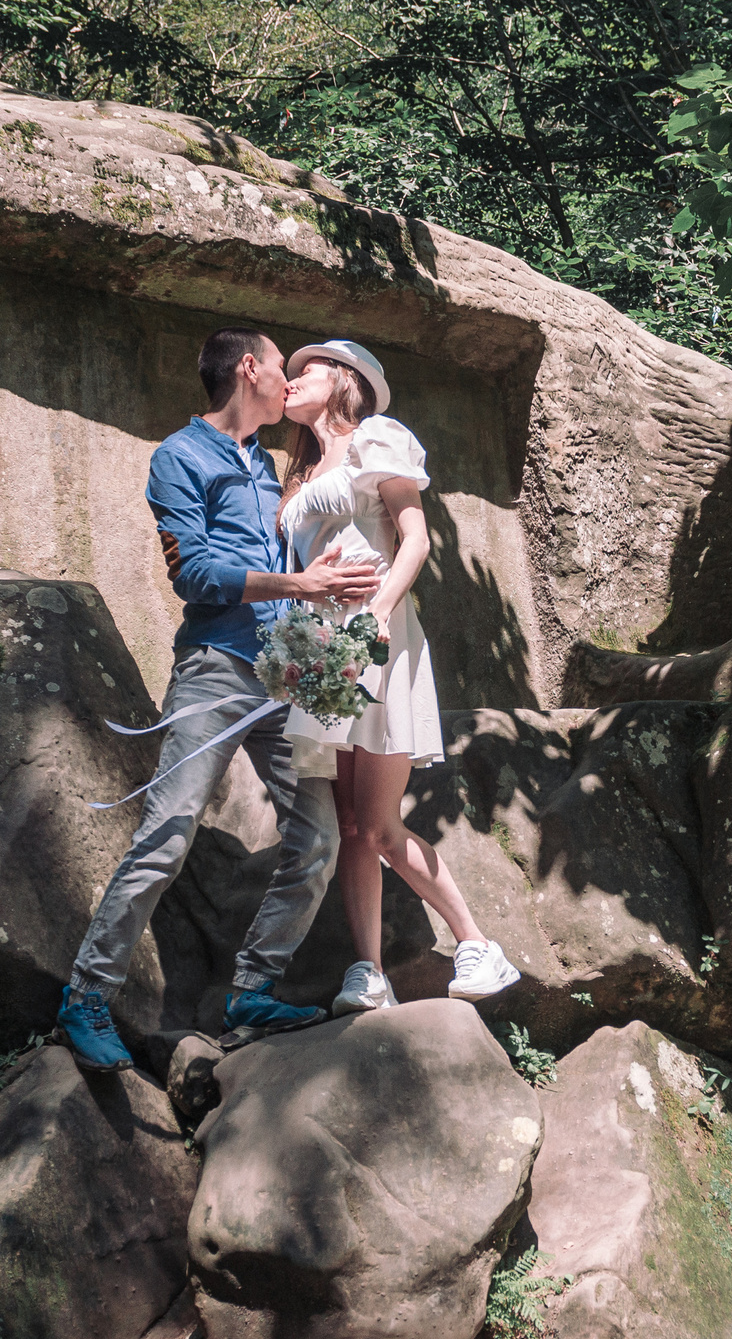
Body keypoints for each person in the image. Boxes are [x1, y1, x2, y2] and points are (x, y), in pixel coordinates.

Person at [53, 327, 380, 1073]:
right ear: (248, 368)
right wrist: (301, 584)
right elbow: (195, 575)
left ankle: (252, 991)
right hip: (215, 670)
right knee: (167, 836)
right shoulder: (178, 457)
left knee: (318, 838)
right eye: (280, 365)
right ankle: (86, 996)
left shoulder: (269, 464)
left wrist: (323, 583)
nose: (287, 379)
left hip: (282, 677)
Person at [275, 338, 519, 1013]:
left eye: (305, 371)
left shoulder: (377, 437)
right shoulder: (299, 473)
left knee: (380, 824)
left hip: (376, 635)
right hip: (321, 644)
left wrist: (378, 613)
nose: (291, 380)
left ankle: (478, 945)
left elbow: (415, 538)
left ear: (344, 380)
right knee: (352, 825)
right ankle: (368, 971)